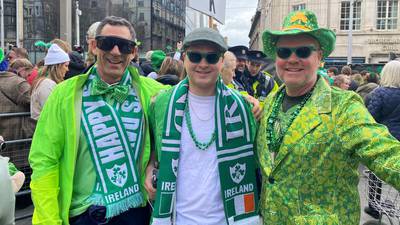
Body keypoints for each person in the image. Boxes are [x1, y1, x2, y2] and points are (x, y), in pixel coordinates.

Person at [257, 10, 400, 224]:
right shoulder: (270, 102)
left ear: (320, 57)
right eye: (284, 52)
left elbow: (387, 154)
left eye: (303, 51)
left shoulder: (343, 107)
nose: (292, 59)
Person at [28, 16, 167, 225]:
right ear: (93, 46)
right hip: (85, 215)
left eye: (125, 46)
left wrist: (154, 161)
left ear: (134, 52)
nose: (115, 51)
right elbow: (44, 161)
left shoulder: (155, 94)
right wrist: (48, 220)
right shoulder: (63, 95)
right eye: (107, 43)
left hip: (136, 214)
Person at [145, 27, 260, 225]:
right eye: (195, 56)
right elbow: (153, 148)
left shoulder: (243, 107)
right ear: (184, 59)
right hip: (177, 218)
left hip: (230, 219)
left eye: (212, 57)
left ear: (222, 61)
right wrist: (149, 168)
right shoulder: (161, 104)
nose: (203, 64)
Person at [30, 44, 70, 120]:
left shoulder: (48, 83)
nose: (67, 69)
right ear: (57, 66)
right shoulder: (47, 85)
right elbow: (53, 113)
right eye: (66, 65)